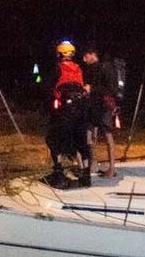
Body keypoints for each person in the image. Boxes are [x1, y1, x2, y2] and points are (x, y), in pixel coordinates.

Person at [45, 40, 92, 188]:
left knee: (54, 139)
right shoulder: (79, 68)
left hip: (64, 111)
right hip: (81, 110)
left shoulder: (58, 68)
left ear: (59, 54)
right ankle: (86, 175)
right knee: (81, 142)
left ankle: (58, 173)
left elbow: (48, 87)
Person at [81, 47, 124, 178]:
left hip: (104, 106)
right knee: (89, 134)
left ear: (92, 54)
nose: (84, 59)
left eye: (86, 56)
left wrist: (92, 88)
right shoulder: (91, 69)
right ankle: (93, 163)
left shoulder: (106, 67)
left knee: (107, 135)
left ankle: (111, 168)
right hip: (93, 105)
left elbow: (111, 89)